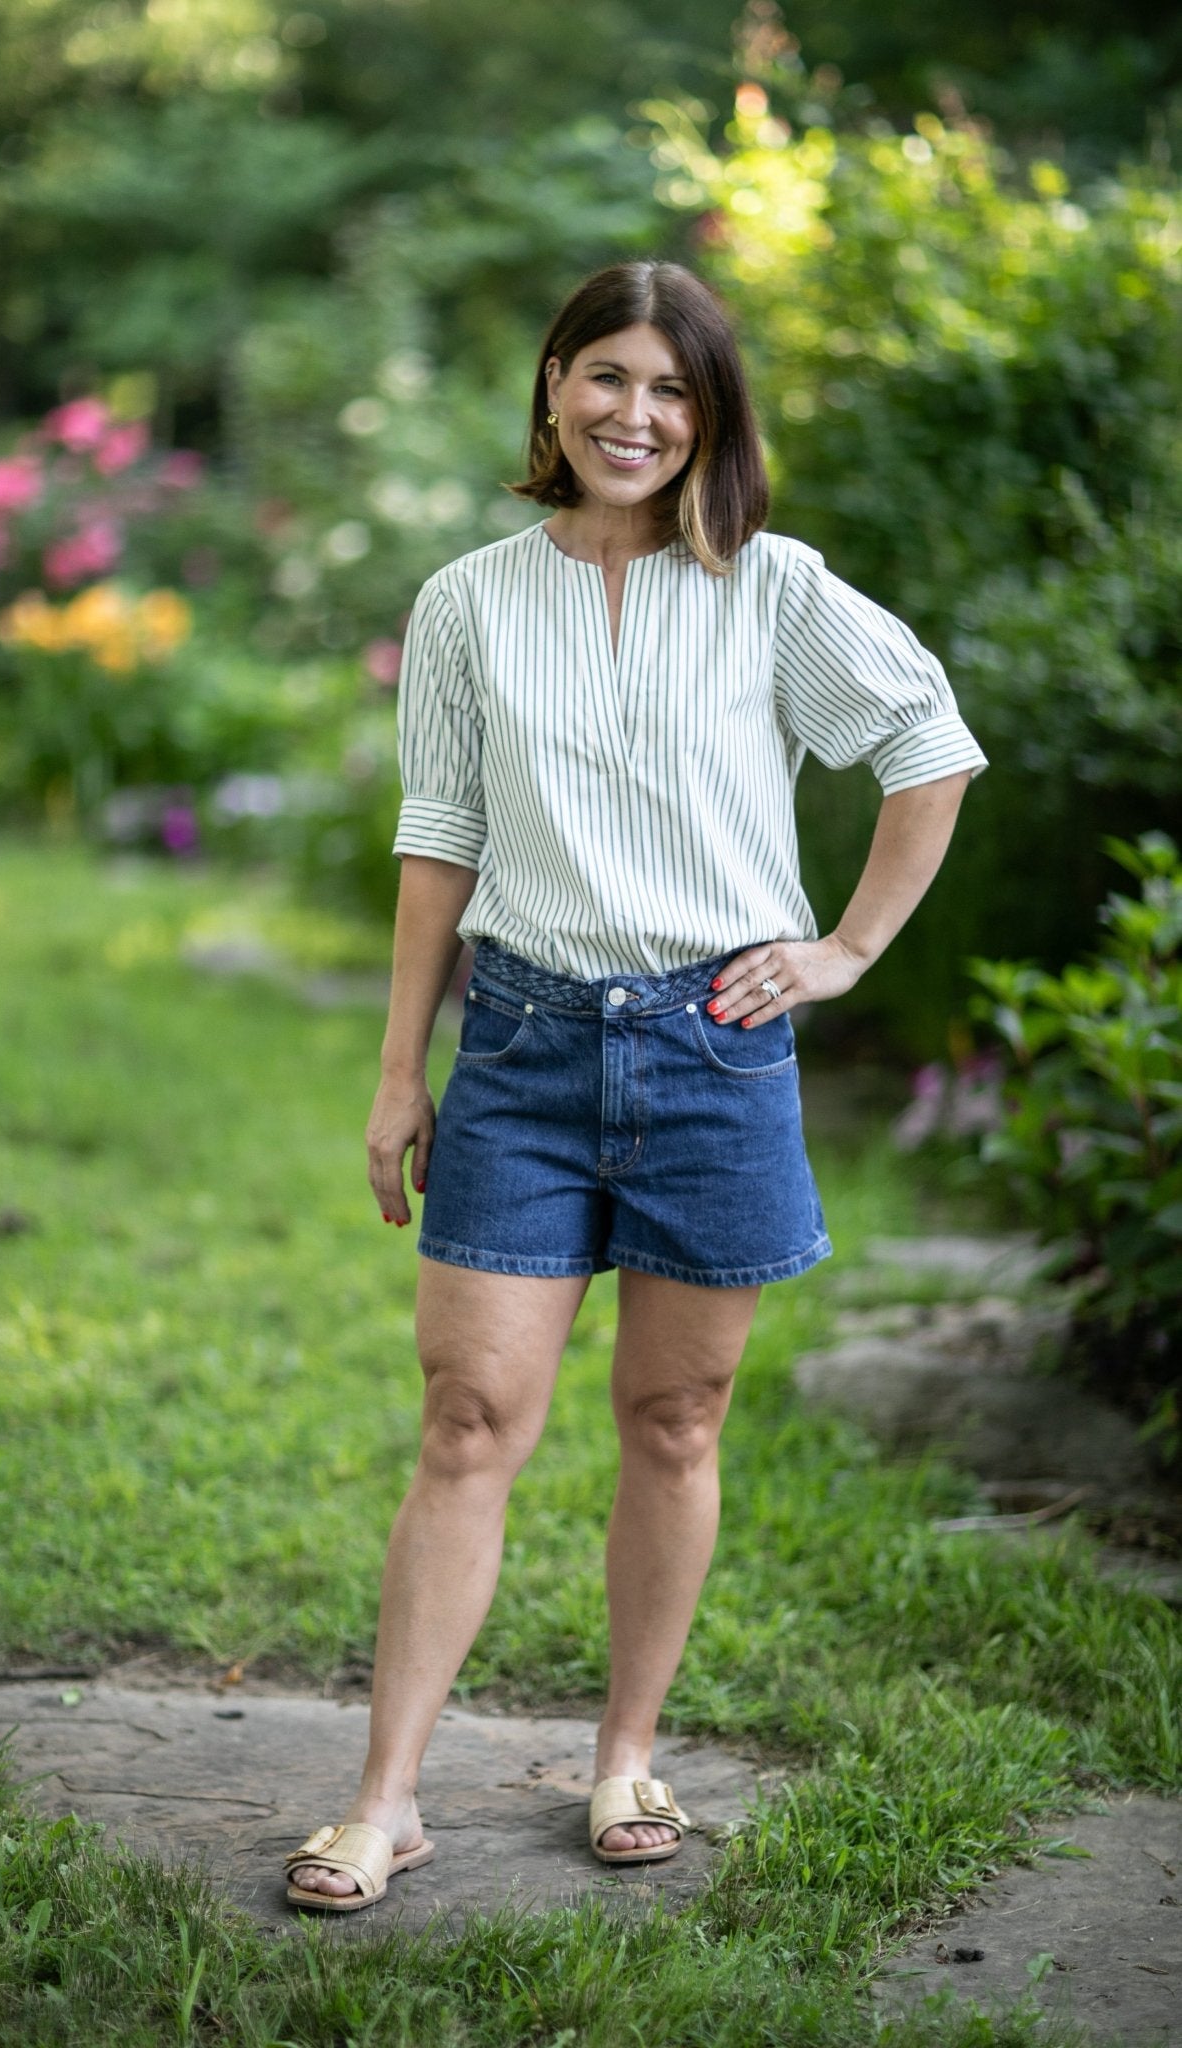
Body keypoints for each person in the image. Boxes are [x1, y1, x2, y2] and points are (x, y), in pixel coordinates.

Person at [283, 259, 987, 1911]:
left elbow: (927, 744)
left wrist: (844, 951)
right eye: (606, 377)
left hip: (713, 1047)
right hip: (520, 1045)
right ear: (551, 389)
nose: (634, 414)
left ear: (709, 418)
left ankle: (623, 1759)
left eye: (671, 390)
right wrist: (401, 1069)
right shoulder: (468, 600)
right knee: (468, 1420)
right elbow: (437, 837)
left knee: (674, 1420)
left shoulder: (772, 589)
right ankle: (384, 1802)